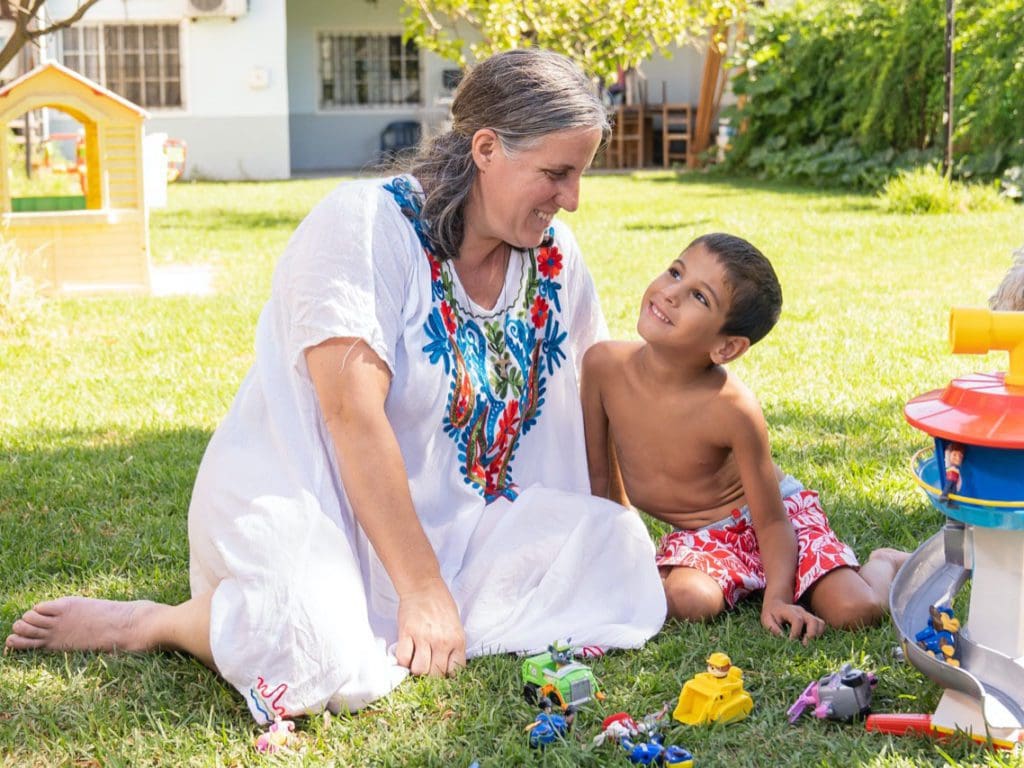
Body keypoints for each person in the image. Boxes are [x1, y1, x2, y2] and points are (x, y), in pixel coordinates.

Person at [5, 48, 666, 722]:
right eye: (556, 174)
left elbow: (587, 388)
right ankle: (163, 623)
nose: (573, 200)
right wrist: (423, 588)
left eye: (579, 176)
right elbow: (351, 417)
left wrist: (608, 522)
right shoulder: (362, 225)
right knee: (311, 656)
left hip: (471, 522)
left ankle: (409, 611)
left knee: (622, 565)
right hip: (319, 501)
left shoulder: (556, 256)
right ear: (487, 149)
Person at [581, 232, 908, 641]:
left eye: (700, 297)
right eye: (675, 272)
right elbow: (602, 482)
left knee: (854, 609)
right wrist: (612, 548)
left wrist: (778, 598)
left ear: (727, 347)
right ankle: (739, 578)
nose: (670, 293)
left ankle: (886, 563)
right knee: (689, 600)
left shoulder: (732, 408)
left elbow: (772, 521)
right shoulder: (602, 366)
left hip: (776, 518)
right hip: (706, 538)